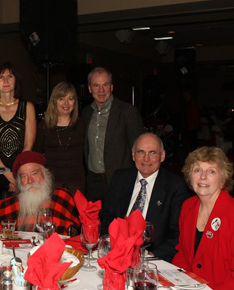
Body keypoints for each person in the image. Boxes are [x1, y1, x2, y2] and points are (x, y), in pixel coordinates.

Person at [99, 133, 191, 262]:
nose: (146, 159)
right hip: (115, 252)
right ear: (133, 155)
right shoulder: (120, 178)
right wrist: (109, 244)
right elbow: (106, 216)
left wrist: (150, 256)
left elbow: (177, 233)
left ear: (162, 156)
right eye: (141, 152)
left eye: (152, 153)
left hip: (151, 258)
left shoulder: (175, 186)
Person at [173, 146, 234, 290]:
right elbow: (182, 254)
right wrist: (175, 284)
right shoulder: (188, 206)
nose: (203, 176)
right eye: (197, 170)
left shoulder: (231, 213)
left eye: (212, 171)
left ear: (222, 179)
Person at [83, 67, 144, 202]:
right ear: (89, 88)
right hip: (93, 182)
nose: (101, 90)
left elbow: (140, 149)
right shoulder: (86, 113)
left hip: (119, 182)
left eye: (105, 85)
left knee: (118, 222)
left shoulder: (127, 112)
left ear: (111, 86)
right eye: (96, 85)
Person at [0, 62, 36, 201]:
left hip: (22, 173)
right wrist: (8, 175)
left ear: (16, 81)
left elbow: (28, 145)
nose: (5, 81)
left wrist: (18, 175)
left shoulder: (27, 107)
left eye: (10, 76)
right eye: (1, 77)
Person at [0, 151, 80, 235]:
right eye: (24, 176)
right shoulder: (4, 207)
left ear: (46, 174)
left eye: (34, 173)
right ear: (19, 182)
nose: (30, 181)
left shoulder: (63, 197)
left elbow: (82, 232)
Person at [33, 81, 85, 193]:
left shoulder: (82, 124)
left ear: (75, 102)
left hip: (77, 184)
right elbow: (36, 156)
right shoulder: (43, 126)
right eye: (61, 98)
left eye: (70, 98)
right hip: (51, 184)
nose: (66, 103)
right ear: (54, 101)